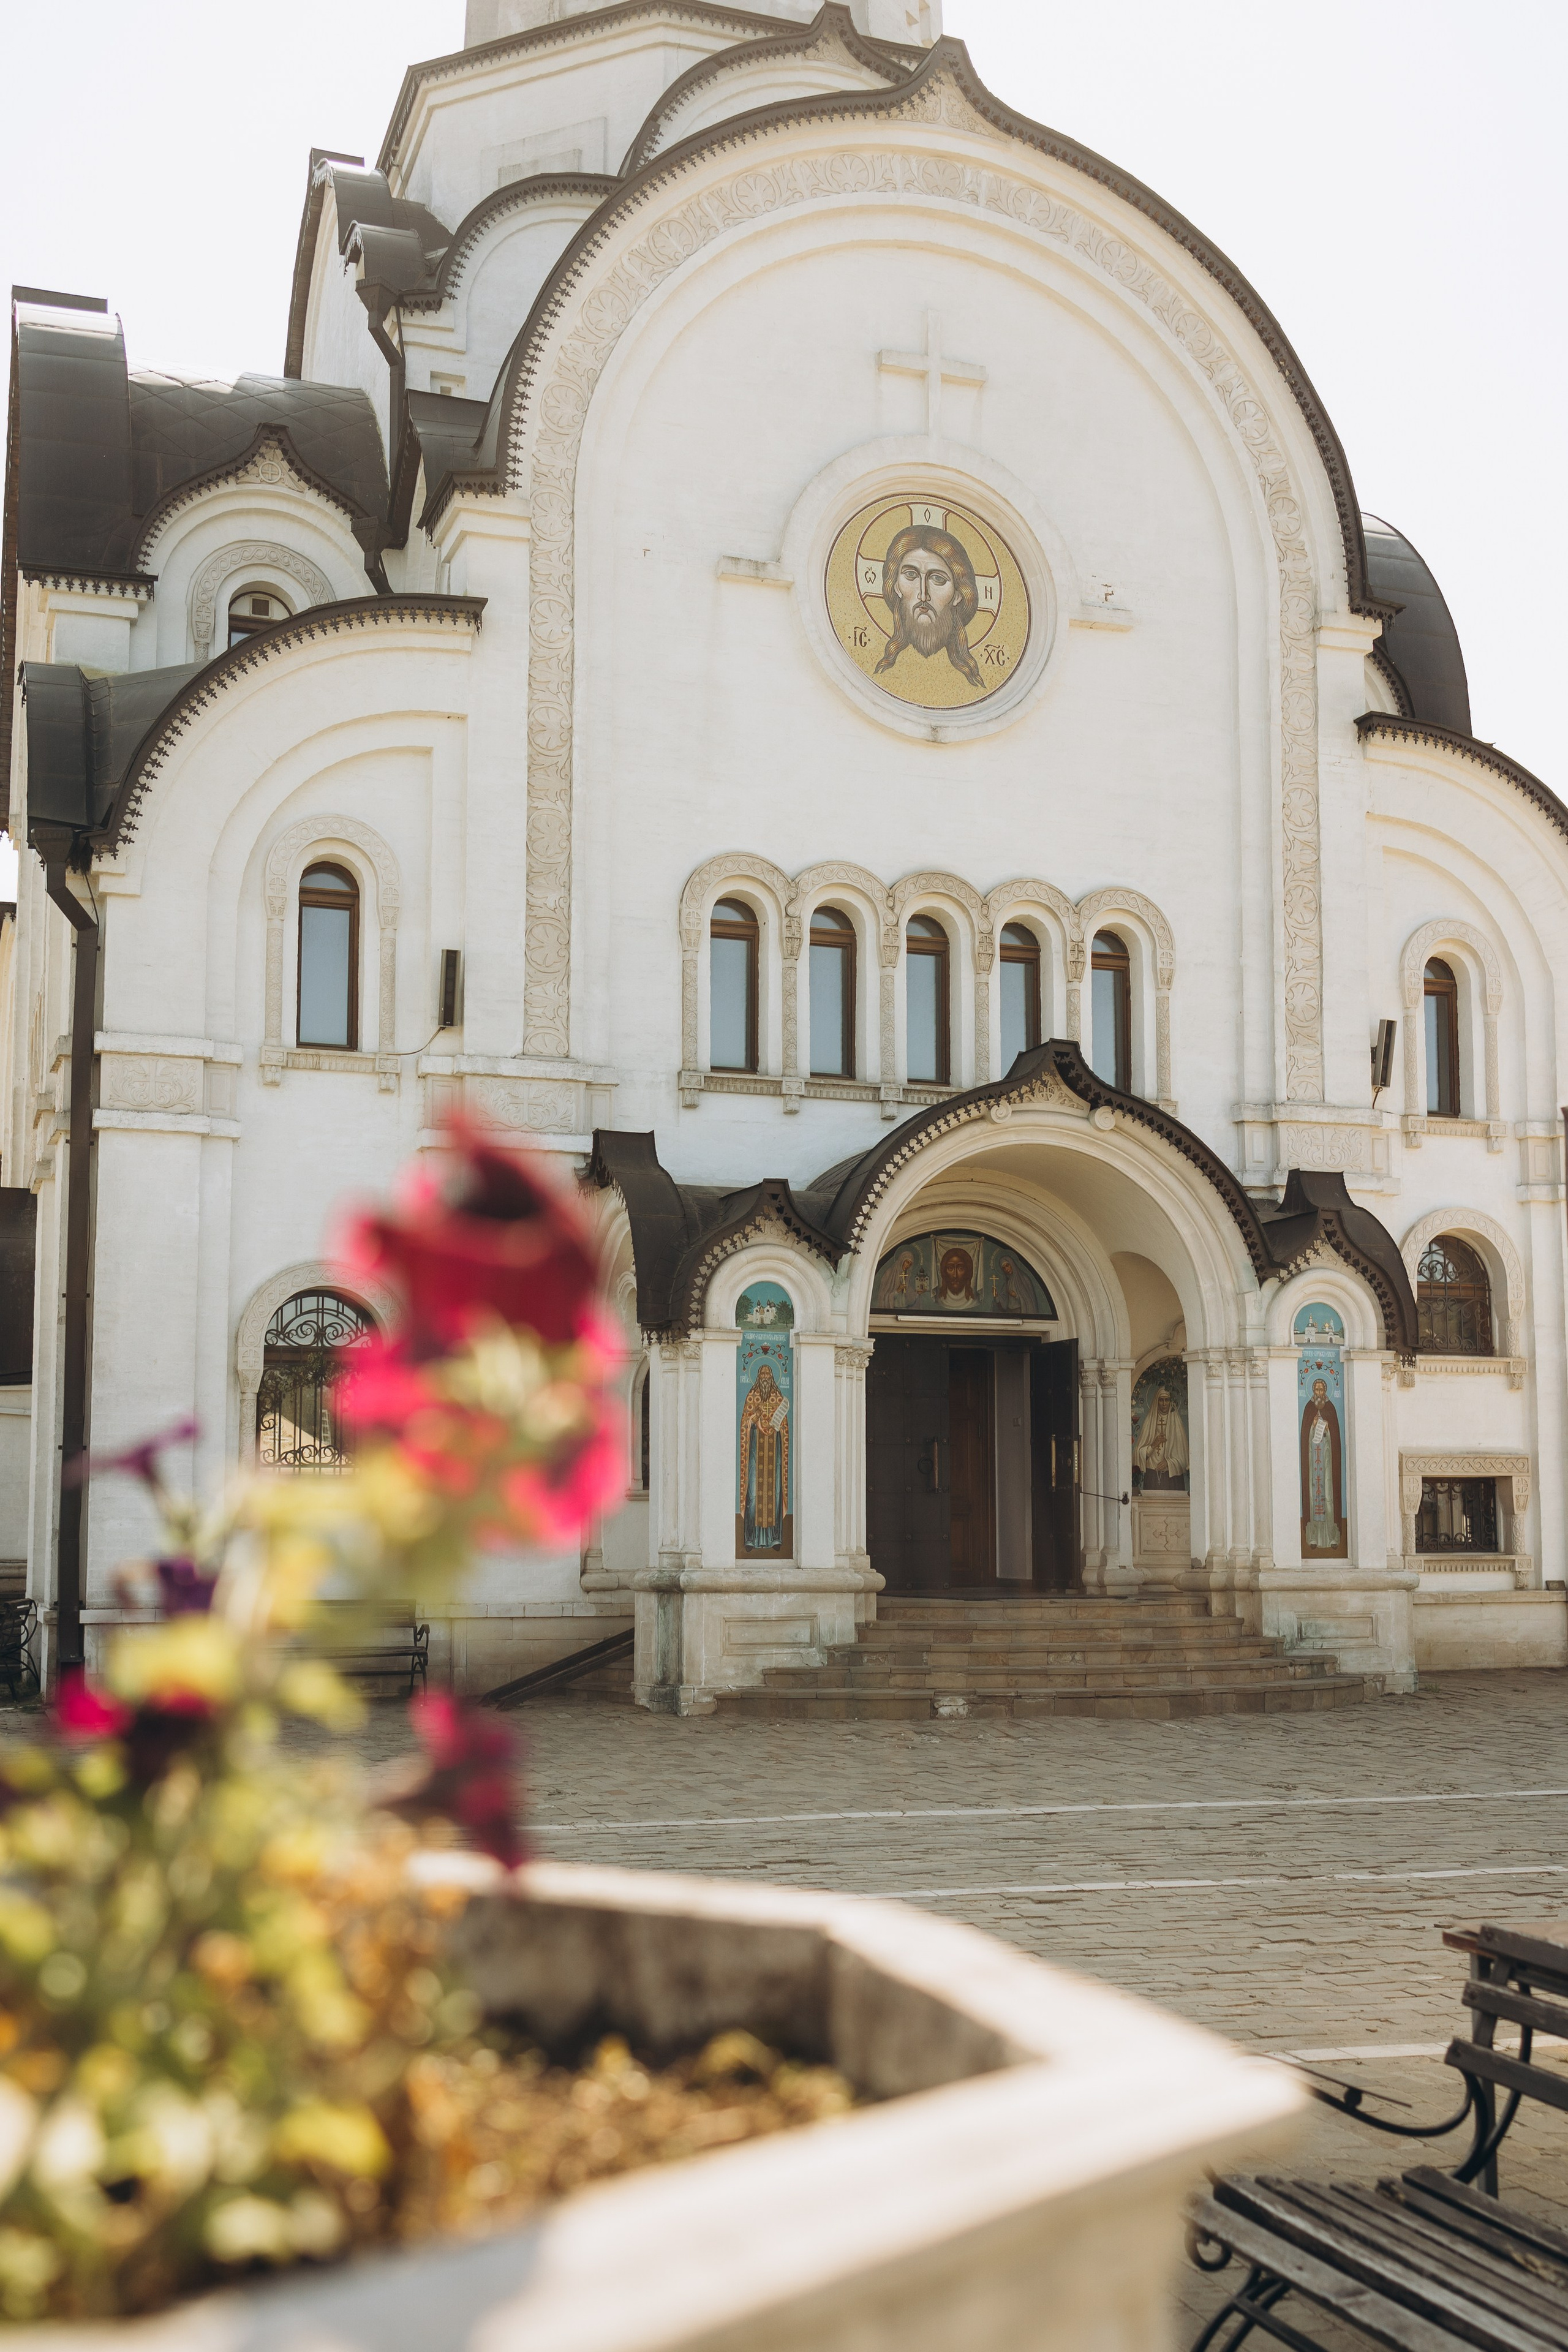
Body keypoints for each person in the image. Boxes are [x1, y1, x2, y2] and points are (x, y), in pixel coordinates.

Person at [875, 524, 984, 688]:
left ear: (958, 595)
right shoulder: (884, 670)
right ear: (897, 587)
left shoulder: (967, 678)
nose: (923, 595)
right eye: (911, 575)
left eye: (938, 579)